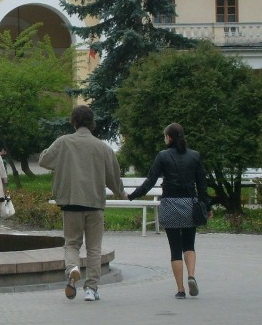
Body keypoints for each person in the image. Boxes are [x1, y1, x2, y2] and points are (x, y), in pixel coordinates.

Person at [38, 105, 125, 302]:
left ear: (74, 122)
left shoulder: (64, 142)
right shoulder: (102, 147)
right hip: (94, 203)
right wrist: (122, 193)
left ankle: (73, 268)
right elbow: (113, 177)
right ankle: (91, 289)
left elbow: (44, 160)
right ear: (92, 122)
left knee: (72, 243)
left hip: (71, 203)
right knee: (94, 248)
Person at [129, 122, 212, 300]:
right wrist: (208, 206)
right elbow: (202, 186)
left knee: (175, 249)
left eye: (165, 135)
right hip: (190, 205)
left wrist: (132, 196)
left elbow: (150, 181)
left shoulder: (163, 156)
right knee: (189, 244)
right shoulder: (195, 156)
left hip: (170, 206)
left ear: (169, 137)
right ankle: (191, 275)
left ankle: (181, 289)